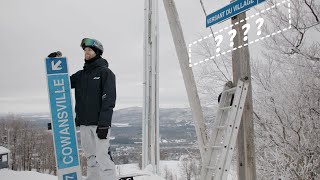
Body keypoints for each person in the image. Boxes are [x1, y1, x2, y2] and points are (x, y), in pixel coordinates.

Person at [49, 38, 117, 180]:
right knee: (91, 158)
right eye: (85, 50)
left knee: (103, 158)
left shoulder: (105, 73)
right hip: (84, 125)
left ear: (97, 52)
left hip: (100, 125)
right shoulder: (80, 75)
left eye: (89, 50)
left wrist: (104, 124)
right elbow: (61, 82)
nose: (86, 52)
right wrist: (56, 63)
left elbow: (109, 100)